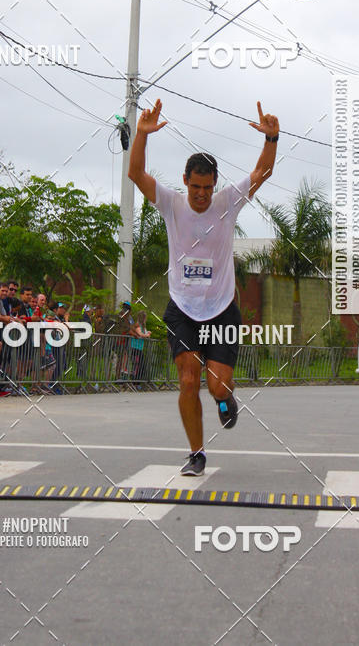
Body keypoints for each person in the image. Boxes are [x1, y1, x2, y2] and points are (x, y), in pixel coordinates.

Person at [128, 98, 279, 475]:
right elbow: (136, 173)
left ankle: (225, 399)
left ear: (215, 185)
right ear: (185, 182)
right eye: (195, 187)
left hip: (222, 309)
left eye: (207, 188)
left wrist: (271, 138)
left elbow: (262, 172)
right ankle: (196, 453)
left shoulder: (228, 202)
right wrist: (142, 134)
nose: (201, 194)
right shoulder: (171, 203)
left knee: (217, 386)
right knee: (187, 380)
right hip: (182, 308)